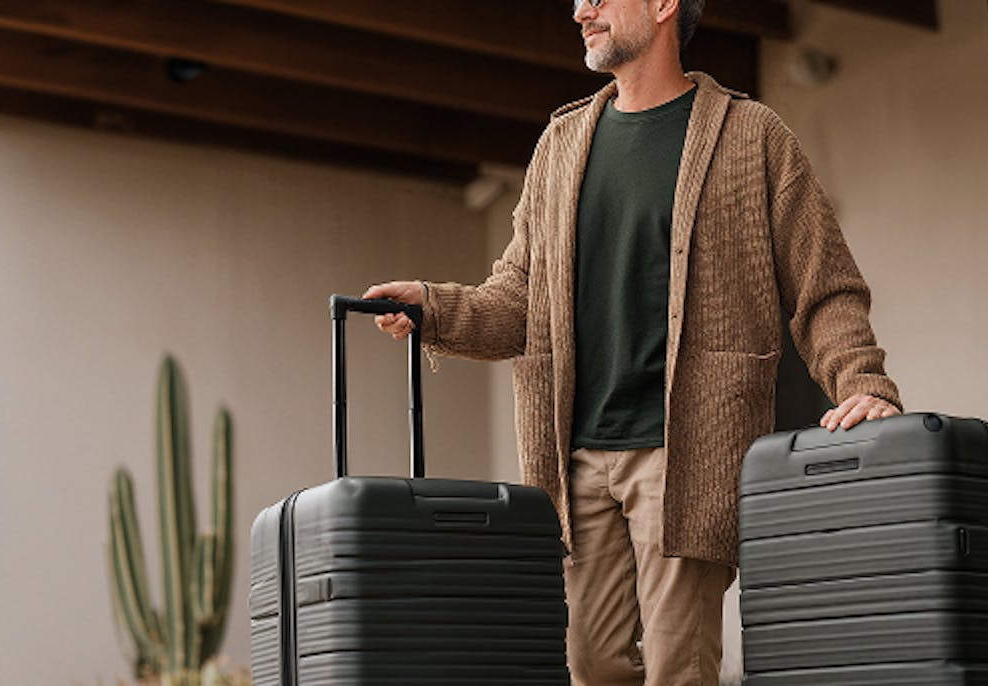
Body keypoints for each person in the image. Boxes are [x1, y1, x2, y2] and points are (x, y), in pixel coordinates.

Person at [363, 0, 902, 683]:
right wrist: (435, 308)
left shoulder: (751, 136)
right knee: (591, 664)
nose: (581, 9)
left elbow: (823, 283)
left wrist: (863, 384)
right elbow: (520, 301)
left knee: (679, 664)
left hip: (690, 455)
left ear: (662, 5)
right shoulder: (558, 146)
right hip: (576, 458)